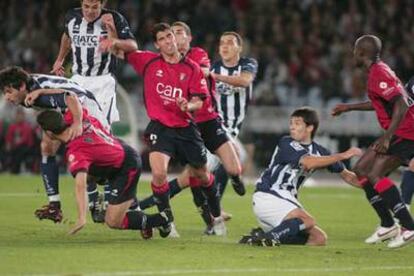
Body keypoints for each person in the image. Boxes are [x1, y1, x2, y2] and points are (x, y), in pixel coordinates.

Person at [99, 23, 226, 236]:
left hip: (186, 129)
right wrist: (112, 37)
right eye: (163, 38)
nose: (169, 41)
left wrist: (188, 105)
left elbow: (200, 101)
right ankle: (168, 222)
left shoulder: (192, 68)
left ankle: (216, 215)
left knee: (203, 176)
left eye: (170, 36)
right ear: (157, 44)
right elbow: (120, 51)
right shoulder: (148, 61)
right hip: (160, 127)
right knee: (159, 174)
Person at [138, 21, 245, 235]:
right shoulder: (164, 62)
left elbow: (204, 71)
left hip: (207, 120)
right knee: (192, 177)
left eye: (178, 33)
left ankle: (142, 206)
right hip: (185, 124)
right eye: (170, 34)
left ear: (188, 38)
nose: (174, 38)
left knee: (228, 169)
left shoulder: (196, 56)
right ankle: (209, 222)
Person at [51, 0, 138, 222]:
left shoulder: (114, 18)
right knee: (79, 138)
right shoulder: (71, 16)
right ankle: (93, 201)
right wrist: (60, 59)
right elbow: (67, 36)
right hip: (78, 81)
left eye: (94, 7)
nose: (90, 11)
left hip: (102, 83)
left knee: (103, 140)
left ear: (103, 4)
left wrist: (114, 39)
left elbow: (132, 46)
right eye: (86, 6)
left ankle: (112, 197)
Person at [331, 35, 414, 248]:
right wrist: (348, 108)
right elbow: (382, 101)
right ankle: (387, 224)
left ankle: (408, 226)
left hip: (406, 132)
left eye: (354, 50)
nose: (352, 54)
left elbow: (402, 104)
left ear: (361, 53)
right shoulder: (378, 71)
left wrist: (387, 137)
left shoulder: (379, 73)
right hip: (399, 130)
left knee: (375, 174)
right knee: (361, 169)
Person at [239, 107, 362, 246]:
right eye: (291, 123)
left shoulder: (320, 152)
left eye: (297, 123)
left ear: (310, 127)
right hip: (269, 195)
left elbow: (349, 177)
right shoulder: (286, 143)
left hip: (284, 203)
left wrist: (376, 187)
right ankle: (269, 237)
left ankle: (262, 236)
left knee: (318, 238)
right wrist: (343, 155)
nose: (292, 127)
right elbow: (308, 162)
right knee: (307, 220)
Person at [36, 109, 168, 237]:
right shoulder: (78, 118)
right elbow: (73, 100)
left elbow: (80, 186)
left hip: (126, 167)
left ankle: (161, 220)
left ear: (49, 133)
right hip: (116, 155)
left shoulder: (76, 150)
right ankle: (107, 199)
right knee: (86, 172)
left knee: (113, 221)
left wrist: (81, 218)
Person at [0, 66, 106, 223]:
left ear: (22, 86)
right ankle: (54, 206)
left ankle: (107, 202)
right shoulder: (27, 92)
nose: (7, 97)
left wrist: (77, 123)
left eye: (9, 92)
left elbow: (72, 97)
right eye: (4, 93)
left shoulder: (38, 95)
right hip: (65, 110)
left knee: (91, 162)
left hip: (84, 108)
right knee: (46, 148)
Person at [210, 31, 258, 200]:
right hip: (216, 123)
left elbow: (244, 81)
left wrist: (216, 77)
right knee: (233, 156)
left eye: (230, 42)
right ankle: (215, 210)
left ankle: (214, 207)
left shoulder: (248, 64)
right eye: (222, 42)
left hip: (235, 127)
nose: (225, 46)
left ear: (240, 48)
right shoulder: (212, 67)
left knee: (192, 176)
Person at [5, 108, 35, 174]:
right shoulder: (12, 126)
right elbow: (9, 138)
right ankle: (10, 168)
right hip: (14, 147)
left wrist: (17, 143)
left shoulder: (26, 126)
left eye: (21, 115)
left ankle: (16, 169)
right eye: (18, 115)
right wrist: (9, 145)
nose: (19, 117)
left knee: (19, 150)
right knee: (9, 151)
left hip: (25, 147)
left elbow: (26, 139)